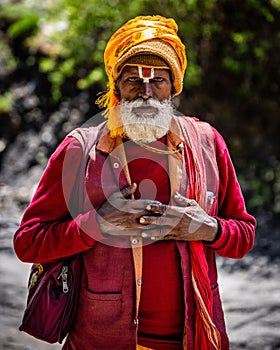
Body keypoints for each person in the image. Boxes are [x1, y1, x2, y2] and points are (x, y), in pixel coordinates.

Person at [14, 15, 256, 350]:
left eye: (158, 80)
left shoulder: (207, 143)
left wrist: (208, 228)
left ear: (174, 86)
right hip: (100, 341)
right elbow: (28, 243)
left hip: (196, 337)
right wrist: (96, 224)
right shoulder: (80, 150)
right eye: (133, 80)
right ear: (116, 87)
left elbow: (243, 236)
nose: (146, 92)